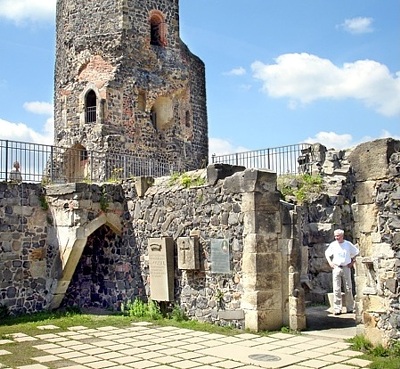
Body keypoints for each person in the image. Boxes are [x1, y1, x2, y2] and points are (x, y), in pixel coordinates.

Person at [325, 229, 359, 315]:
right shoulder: (333, 245)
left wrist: (352, 262)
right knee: (336, 288)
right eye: (335, 236)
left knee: (348, 288)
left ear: (342, 236)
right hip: (336, 267)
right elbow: (327, 253)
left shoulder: (347, 244)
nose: (336, 237)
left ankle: (350, 307)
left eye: (338, 236)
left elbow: (356, 252)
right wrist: (330, 262)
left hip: (346, 267)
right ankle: (337, 308)